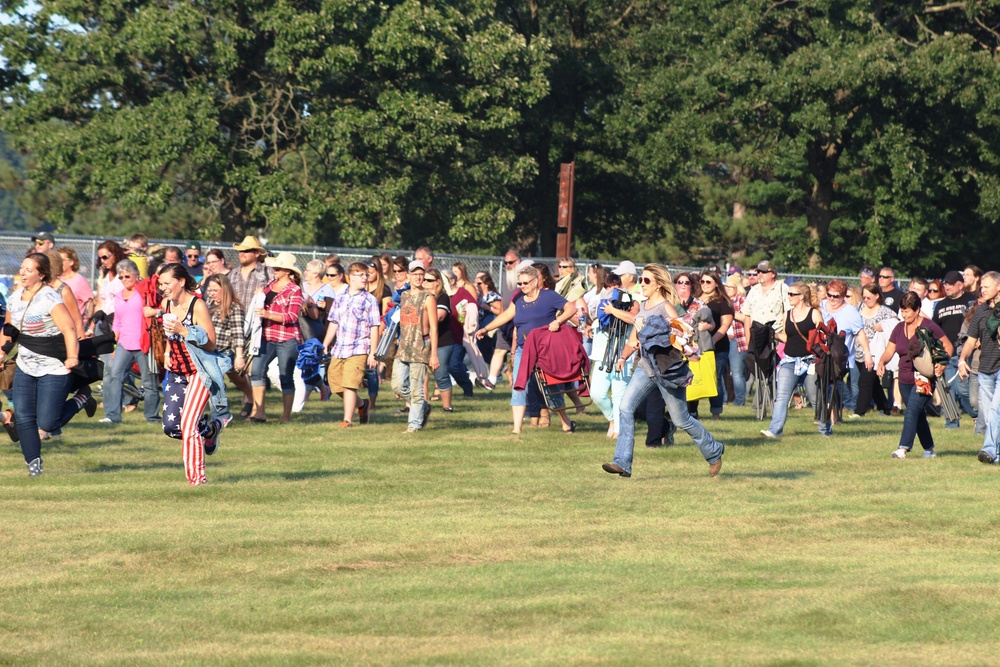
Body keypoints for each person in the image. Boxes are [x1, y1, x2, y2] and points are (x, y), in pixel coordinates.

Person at [601, 264, 725, 478]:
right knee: (625, 407)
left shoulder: (667, 308)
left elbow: (683, 335)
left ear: (658, 284)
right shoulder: (643, 306)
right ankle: (622, 463)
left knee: (681, 419)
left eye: (647, 280)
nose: (642, 283)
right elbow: (635, 336)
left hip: (667, 369)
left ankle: (713, 451)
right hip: (646, 366)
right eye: (641, 279)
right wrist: (623, 357)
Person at [0, 253, 91, 476]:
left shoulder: (50, 298)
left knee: (48, 423)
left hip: (53, 366)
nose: (23, 272)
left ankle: (81, 398)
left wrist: (72, 356)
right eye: (22, 268)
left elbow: (69, 328)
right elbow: (9, 330)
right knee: (23, 416)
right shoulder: (14, 298)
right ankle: (34, 465)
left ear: (41, 274)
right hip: (26, 366)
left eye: (29, 270)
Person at [475, 265, 579, 434]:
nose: (522, 287)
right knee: (519, 385)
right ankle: (517, 429)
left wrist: (558, 321)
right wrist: (486, 329)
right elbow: (506, 315)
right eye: (520, 284)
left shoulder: (549, 296)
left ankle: (566, 422)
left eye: (525, 283)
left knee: (551, 388)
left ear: (536, 281)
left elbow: (571, 309)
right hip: (525, 349)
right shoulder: (519, 301)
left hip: (546, 349)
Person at [158, 264, 227, 486]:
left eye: (167, 283)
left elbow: (211, 344)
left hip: (200, 371)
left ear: (181, 282)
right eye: (161, 283)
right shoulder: (166, 303)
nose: (163, 288)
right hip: (176, 371)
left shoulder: (198, 306)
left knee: (188, 425)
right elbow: (168, 336)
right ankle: (210, 430)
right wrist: (168, 350)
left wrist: (184, 331)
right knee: (171, 427)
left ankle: (198, 481)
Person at [877, 292, 953, 459]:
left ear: (917, 309)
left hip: (923, 378)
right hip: (904, 379)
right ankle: (930, 450)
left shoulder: (929, 326)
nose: (904, 315)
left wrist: (942, 363)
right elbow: (890, 350)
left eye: (907, 311)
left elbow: (948, 346)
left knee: (911, 411)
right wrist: (881, 362)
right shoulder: (899, 328)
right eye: (902, 311)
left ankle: (903, 448)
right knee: (918, 415)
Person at [101, 259, 162, 425]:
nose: (124, 279)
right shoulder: (119, 296)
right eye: (121, 277)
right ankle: (113, 415)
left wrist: (156, 311)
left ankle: (152, 417)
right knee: (115, 377)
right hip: (124, 344)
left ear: (136, 275)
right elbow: (118, 320)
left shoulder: (146, 293)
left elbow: (162, 306)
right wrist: (115, 340)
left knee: (149, 381)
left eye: (127, 275)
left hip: (144, 343)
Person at [323, 262, 381, 427]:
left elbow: (374, 327)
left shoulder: (370, 300)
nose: (365, 278)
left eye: (366, 275)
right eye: (361, 275)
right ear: (351, 277)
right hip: (340, 348)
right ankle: (362, 405)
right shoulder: (340, 296)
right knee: (335, 384)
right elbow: (334, 322)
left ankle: (347, 420)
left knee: (350, 384)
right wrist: (326, 343)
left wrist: (373, 352)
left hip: (359, 348)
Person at [760, 282, 822, 438]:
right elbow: (787, 338)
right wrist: (771, 333)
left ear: (801, 296)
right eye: (788, 294)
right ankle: (775, 430)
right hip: (790, 361)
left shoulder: (813, 314)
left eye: (792, 294)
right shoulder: (788, 314)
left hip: (809, 361)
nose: (789, 297)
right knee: (782, 397)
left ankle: (825, 429)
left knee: (814, 397)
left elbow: (822, 337)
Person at [248, 252, 303, 423]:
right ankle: (259, 412)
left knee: (285, 375)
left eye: (278, 268)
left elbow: (291, 317)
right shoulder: (270, 284)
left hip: (287, 338)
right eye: (274, 267)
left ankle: (286, 416)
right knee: (256, 371)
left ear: (287, 271)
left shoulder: (295, 290)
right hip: (266, 336)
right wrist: (260, 295)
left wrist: (267, 314)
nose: (274, 270)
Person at [391, 261, 440, 432]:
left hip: (421, 345)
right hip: (404, 346)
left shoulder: (429, 298)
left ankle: (414, 425)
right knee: (396, 385)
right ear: (409, 276)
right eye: (415, 274)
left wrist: (433, 354)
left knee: (416, 388)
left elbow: (434, 327)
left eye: (421, 274)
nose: (418, 277)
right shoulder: (404, 296)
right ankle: (423, 408)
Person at [957, 272, 1000, 462]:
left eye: (986, 286)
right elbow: (970, 339)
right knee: (987, 412)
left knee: (996, 411)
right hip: (984, 369)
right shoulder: (981, 311)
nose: (982, 289)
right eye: (981, 286)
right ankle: (996, 454)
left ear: (998, 287)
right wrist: (962, 359)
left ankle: (988, 450)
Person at [819, 278, 872, 426]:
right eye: (829, 295)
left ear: (843, 296)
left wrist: (867, 354)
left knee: (831, 383)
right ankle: (832, 415)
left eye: (836, 296)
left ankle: (830, 416)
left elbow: (860, 333)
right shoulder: (821, 307)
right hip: (821, 354)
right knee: (823, 384)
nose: (831, 299)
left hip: (840, 357)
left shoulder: (850, 312)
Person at [203, 274, 252, 420]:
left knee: (216, 380)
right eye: (209, 290)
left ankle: (220, 415)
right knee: (232, 378)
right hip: (209, 349)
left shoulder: (234, 307)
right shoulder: (209, 303)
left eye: (215, 291)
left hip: (225, 351)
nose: (211, 294)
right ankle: (249, 397)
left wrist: (239, 356)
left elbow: (238, 334)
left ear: (225, 290)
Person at [934, 271, 975, 428]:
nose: (947, 287)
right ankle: (951, 421)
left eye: (951, 284)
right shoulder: (941, 304)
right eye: (945, 284)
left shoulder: (971, 301)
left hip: (965, 352)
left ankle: (976, 415)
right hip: (947, 353)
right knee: (948, 388)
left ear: (961, 284)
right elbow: (935, 327)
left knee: (963, 389)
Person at [851, 283, 898, 418]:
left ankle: (859, 411)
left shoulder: (885, 312)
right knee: (874, 383)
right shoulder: (859, 308)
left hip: (874, 353)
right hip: (859, 352)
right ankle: (884, 407)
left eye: (869, 297)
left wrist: (883, 326)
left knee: (864, 381)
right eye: (864, 297)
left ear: (877, 296)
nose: (866, 300)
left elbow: (896, 324)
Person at [695, 271, 734, 418]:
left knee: (715, 378)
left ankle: (716, 412)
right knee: (695, 378)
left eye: (708, 282)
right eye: (702, 281)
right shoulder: (695, 300)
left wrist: (712, 341)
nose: (704, 285)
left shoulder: (723, 302)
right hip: (696, 346)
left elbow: (724, 326)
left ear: (716, 283)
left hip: (718, 347)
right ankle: (692, 412)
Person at [423, 268, 458, 411]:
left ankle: (447, 407)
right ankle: (422, 405)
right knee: (420, 374)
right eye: (424, 279)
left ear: (437, 282)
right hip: (423, 340)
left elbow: (438, 317)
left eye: (429, 280)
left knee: (440, 372)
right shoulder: (420, 296)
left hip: (442, 342)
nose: (425, 282)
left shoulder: (442, 297)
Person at [724, 274, 749, 406]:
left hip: (736, 340)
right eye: (725, 286)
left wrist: (729, 311)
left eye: (730, 286)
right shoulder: (722, 300)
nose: (727, 289)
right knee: (721, 372)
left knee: (737, 372)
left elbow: (746, 318)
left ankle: (739, 401)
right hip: (723, 339)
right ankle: (723, 400)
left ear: (737, 287)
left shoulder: (741, 299)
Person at [229, 236, 272, 311]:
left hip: (259, 320)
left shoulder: (268, 272)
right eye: (240, 251)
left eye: (246, 251)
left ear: (257, 254)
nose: (242, 253)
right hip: (236, 321)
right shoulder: (232, 274)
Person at [300, 259, 336, 342]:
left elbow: (333, 313)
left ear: (316, 274)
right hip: (299, 327)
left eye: (308, 270)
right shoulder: (301, 286)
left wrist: (325, 306)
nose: (305, 272)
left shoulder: (328, 291)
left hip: (315, 331)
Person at [57, 247, 94, 325]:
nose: (58, 263)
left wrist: (89, 326)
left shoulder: (80, 281)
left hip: (75, 325)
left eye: (61, 260)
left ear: (71, 262)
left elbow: (90, 302)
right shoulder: (55, 279)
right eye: (57, 260)